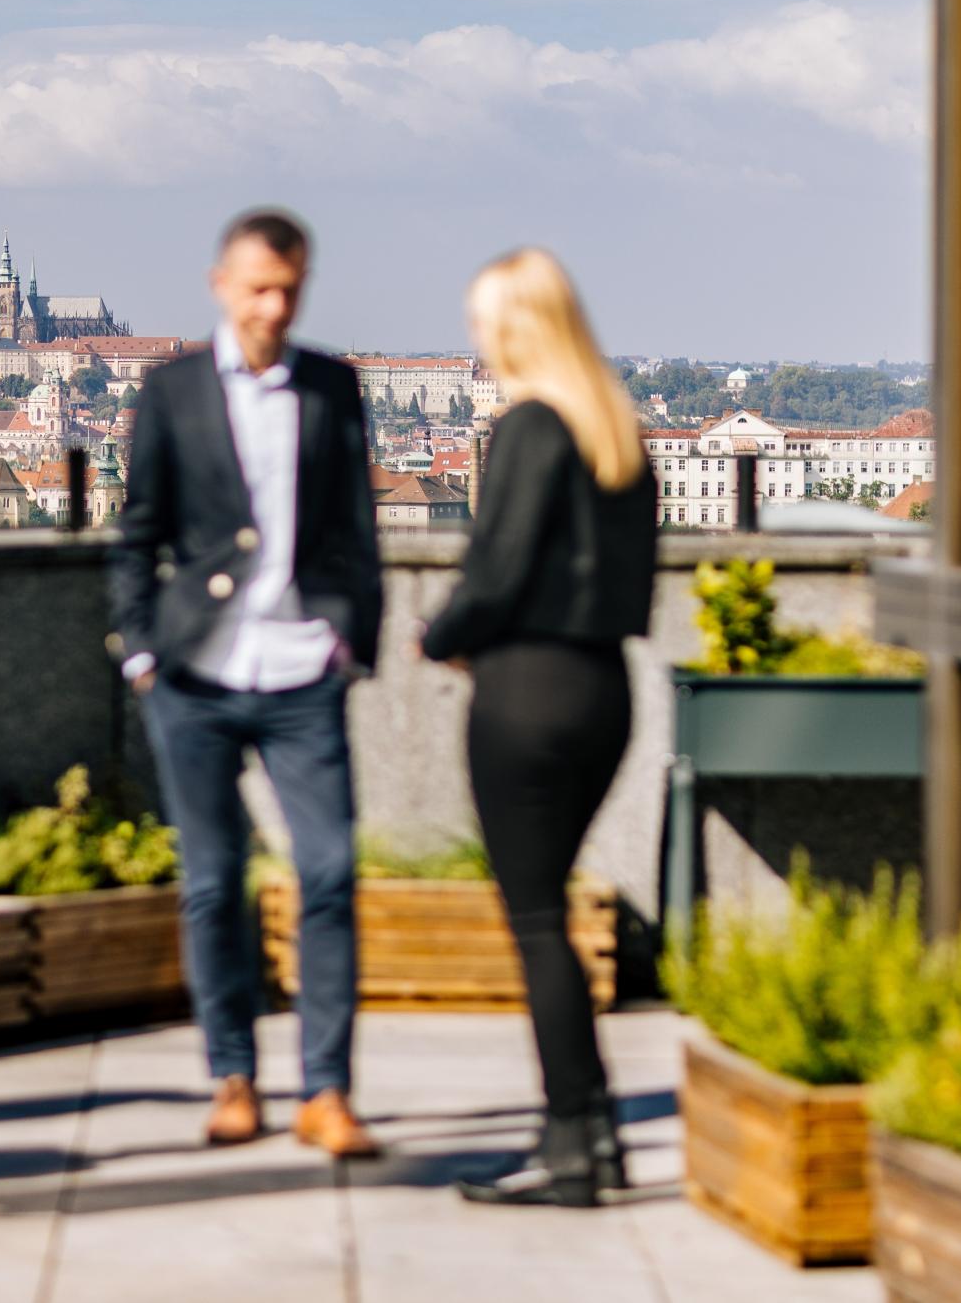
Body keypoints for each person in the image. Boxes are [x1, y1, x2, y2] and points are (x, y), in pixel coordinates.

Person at [106, 209, 385, 1158]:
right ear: (221, 284)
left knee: (329, 872)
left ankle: (327, 1090)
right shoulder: (173, 389)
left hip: (305, 668)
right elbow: (137, 531)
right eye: (260, 288)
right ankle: (233, 1077)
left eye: (290, 290)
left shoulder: (333, 386)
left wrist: (352, 644)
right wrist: (143, 654)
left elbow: (356, 530)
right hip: (198, 670)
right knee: (212, 881)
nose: (275, 307)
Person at [418, 248, 656, 1210]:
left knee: (537, 924)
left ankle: (570, 1143)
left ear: (514, 329)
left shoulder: (530, 426)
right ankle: (594, 1135)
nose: (478, 342)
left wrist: (438, 635)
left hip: (526, 691)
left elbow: (497, 568)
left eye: (484, 324)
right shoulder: (616, 430)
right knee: (548, 912)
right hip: (604, 688)